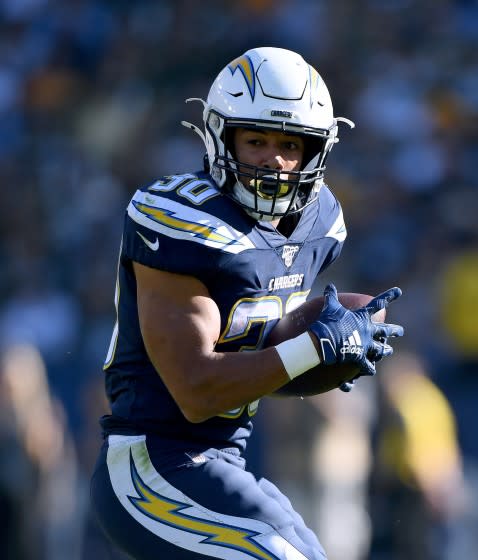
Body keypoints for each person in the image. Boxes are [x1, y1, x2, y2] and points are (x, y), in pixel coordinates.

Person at [89, 46, 404, 560]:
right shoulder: (180, 219)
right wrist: (313, 350)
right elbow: (196, 389)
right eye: (255, 140)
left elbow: (266, 350)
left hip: (223, 460)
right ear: (220, 136)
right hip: (151, 466)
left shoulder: (319, 223)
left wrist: (340, 341)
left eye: (289, 144)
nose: (274, 159)